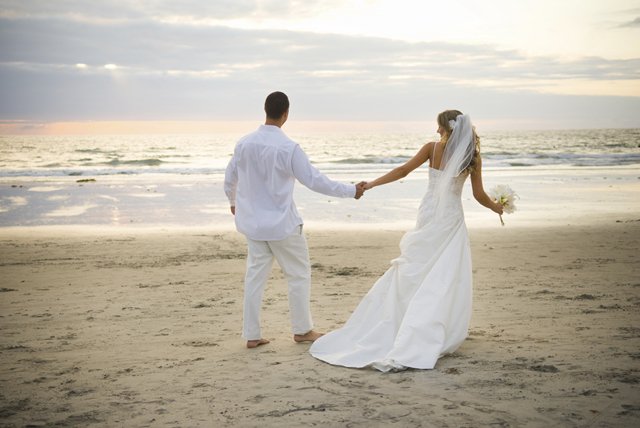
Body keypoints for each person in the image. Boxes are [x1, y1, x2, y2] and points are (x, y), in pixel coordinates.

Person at [309, 110, 504, 371]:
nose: (436, 131)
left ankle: (407, 323)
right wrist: (495, 208)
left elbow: (402, 171)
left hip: (430, 212)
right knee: (444, 273)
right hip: (451, 217)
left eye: (438, 127)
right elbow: (479, 195)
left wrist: (372, 184)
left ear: (447, 128)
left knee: (416, 266)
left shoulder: (432, 149)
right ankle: (431, 325)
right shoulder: (472, 157)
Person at [224, 91, 366, 349]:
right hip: (282, 225)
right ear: (286, 114)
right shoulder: (289, 148)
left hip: (254, 225)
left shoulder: (244, 143)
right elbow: (314, 180)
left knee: (254, 278)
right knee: (298, 275)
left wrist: (234, 203)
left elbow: (230, 177)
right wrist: (351, 190)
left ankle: (252, 335)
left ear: (265, 110)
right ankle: (302, 330)